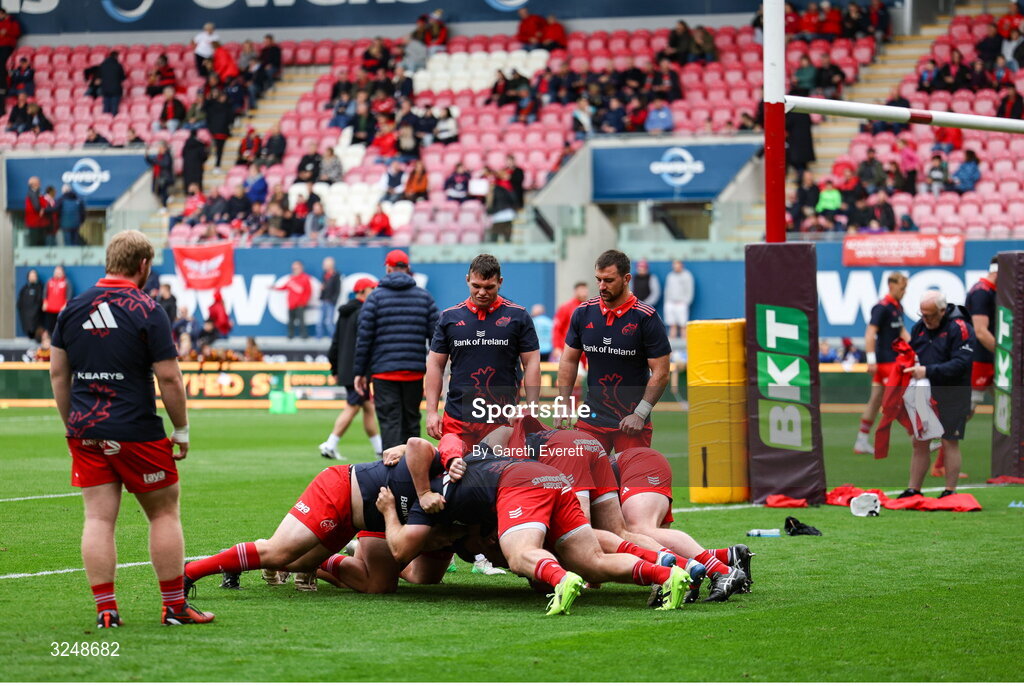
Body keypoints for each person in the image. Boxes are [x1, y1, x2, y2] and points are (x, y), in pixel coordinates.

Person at [49, 230, 211, 628]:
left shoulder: (72, 306)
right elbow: (170, 379)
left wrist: (74, 424)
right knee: (163, 513)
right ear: (143, 266)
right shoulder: (147, 309)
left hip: (86, 429)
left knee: (98, 520)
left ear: (109, 260)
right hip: (136, 430)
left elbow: (57, 372)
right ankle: (174, 608)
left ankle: (106, 611)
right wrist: (182, 430)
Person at [557, 250, 672, 454]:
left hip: (631, 422)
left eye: (608, 280)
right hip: (591, 419)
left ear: (627, 278)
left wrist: (641, 413)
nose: (601, 286)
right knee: (583, 482)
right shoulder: (583, 313)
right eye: (598, 280)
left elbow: (661, 372)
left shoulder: (646, 317)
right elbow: (568, 360)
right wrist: (564, 402)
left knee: (633, 484)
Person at [425, 254, 541, 447]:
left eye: (489, 287)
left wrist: (532, 409)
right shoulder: (448, 317)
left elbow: (531, 364)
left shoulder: (518, 316)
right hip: (457, 418)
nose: (481, 293)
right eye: (476, 286)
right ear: (467, 280)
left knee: (500, 475)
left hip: (503, 420)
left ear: (500, 282)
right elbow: (435, 365)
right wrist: (431, 412)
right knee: (454, 474)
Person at [353, 250, 439, 450]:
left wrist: (360, 372)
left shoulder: (374, 298)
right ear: (408, 269)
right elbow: (436, 338)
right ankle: (413, 471)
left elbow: (364, 339)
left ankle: (391, 475)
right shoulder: (424, 297)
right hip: (414, 372)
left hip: (384, 373)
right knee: (411, 421)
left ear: (388, 268)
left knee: (390, 423)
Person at [898, 290, 975, 499]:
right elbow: (912, 355)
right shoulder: (919, 328)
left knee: (950, 440)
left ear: (942, 310)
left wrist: (927, 371)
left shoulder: (960, 328)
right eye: (922, 314)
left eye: (930, 315)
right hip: (924, 392)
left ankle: (950, 491)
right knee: (919, 439)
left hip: (953, 392)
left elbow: (961, 363)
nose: (925, 319)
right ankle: (913, 489)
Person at [321, 278, 383, 461]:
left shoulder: (344, 313)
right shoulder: (365, 311)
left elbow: (335, 343)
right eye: (373, 289)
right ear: (364, 290)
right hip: (359, 371)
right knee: (352, 407)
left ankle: (380, 449)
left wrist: (335, 368)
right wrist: (364, 372)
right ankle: (329, 444)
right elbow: (364, 344)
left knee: (368, 408)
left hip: (346, 368)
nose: (376, 292)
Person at [853, 272, 909, 454]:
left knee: (876, 400)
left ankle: (861, 440)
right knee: (901, 400)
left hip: (892, 361)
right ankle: (919, 435)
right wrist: (871, 360)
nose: (904, 292)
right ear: (892, 286)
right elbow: (870, 333)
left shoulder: (897, 307)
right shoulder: (881, 307)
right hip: (887, 363)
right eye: (902, 288)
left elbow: (901, 332)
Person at [965, 257, 998, 415]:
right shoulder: (981, 292)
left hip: (991, 358)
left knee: (1010, 403)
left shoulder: (993, 291)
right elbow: (981, 332)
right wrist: (1004, 353)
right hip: (980, 357)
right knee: (968, 407)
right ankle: (939, 437)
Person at [551, 281, 589, 361]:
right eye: (581, 290)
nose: (584, 293)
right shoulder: (566, 307)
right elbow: (557, 328)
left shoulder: (590, 307)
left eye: (585, 290)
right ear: (575, 291)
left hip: (586, 352)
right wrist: (557, 347)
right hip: (569, 350)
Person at [275, 261, 312, 339]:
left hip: (300, 304)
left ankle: (304, 336)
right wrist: (274, 288)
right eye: (294, 268)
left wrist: (304, 301)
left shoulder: (305, 278)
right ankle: (290, 335)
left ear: (301, 268)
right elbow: (284, 287)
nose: (295, 270)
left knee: (301, 321)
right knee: (291, 321)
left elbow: (308, 291)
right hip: (291, 304)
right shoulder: (291, 278)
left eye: (296, 268)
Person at [663, 260, 695, 340]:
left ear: (681, 265)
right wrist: (667, 302)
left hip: (681, 304)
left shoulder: (687, 275)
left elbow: (690, 290)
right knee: (672, 326)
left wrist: (686, 302)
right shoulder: (670, 276)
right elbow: (667, 290)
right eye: (674, 265)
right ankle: (672, 350)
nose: (676, 267)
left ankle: (684, 348)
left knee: (683, 325)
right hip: (670, 303)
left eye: (677, 265)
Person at [204, 89, 234, 170]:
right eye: (221, 96)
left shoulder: (228, 107)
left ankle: (217, 165)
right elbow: (205, 109)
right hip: (213, 131)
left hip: (222, 131)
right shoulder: (213, 105)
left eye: (224, 97)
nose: (223, 98)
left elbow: (231, 119)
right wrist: (209, 98)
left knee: (219, 149)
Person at [42, 265, 72, 335]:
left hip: (60, 310)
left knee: (60, 327)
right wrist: (44, 303)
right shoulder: (49, 281)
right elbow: (45, 293)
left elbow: (69, 294)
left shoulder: (67, 282)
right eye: (56, 271)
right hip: (50, 309)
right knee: (50, 327)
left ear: (63, 272)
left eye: (59, 271)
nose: (57, 273)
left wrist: (65, 305)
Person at [146, 141, 175, 209]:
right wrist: (147, 156)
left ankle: (165, 206)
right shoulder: (159, 156)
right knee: (157, 191)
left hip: (165, 177)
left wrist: (156, 162)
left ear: (164, 148)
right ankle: (168, 198)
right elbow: (152, 161)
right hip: (158, 176)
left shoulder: (167, 156)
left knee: (163, 191)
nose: (159, 149)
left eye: (160, 148)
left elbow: (165, 164)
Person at [318, 256, 340, 340]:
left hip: (330, 301)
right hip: (323, 300)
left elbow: (337, 290)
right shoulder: (324, 274)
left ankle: (333, 338)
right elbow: (324, 286)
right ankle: (318, 338)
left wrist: (333, 300)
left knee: (329, 322)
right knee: (319, 321)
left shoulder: (336, 275)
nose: (323, 265)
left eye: (325, 264)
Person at [18, 268, 43, 340]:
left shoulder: (39, 287)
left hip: (36, 315)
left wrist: (34, 312)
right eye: (31, 275)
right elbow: (20, 302)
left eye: (34, 276)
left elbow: (39, 301)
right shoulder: (24, 288)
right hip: (25, 315)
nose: (32, 277)